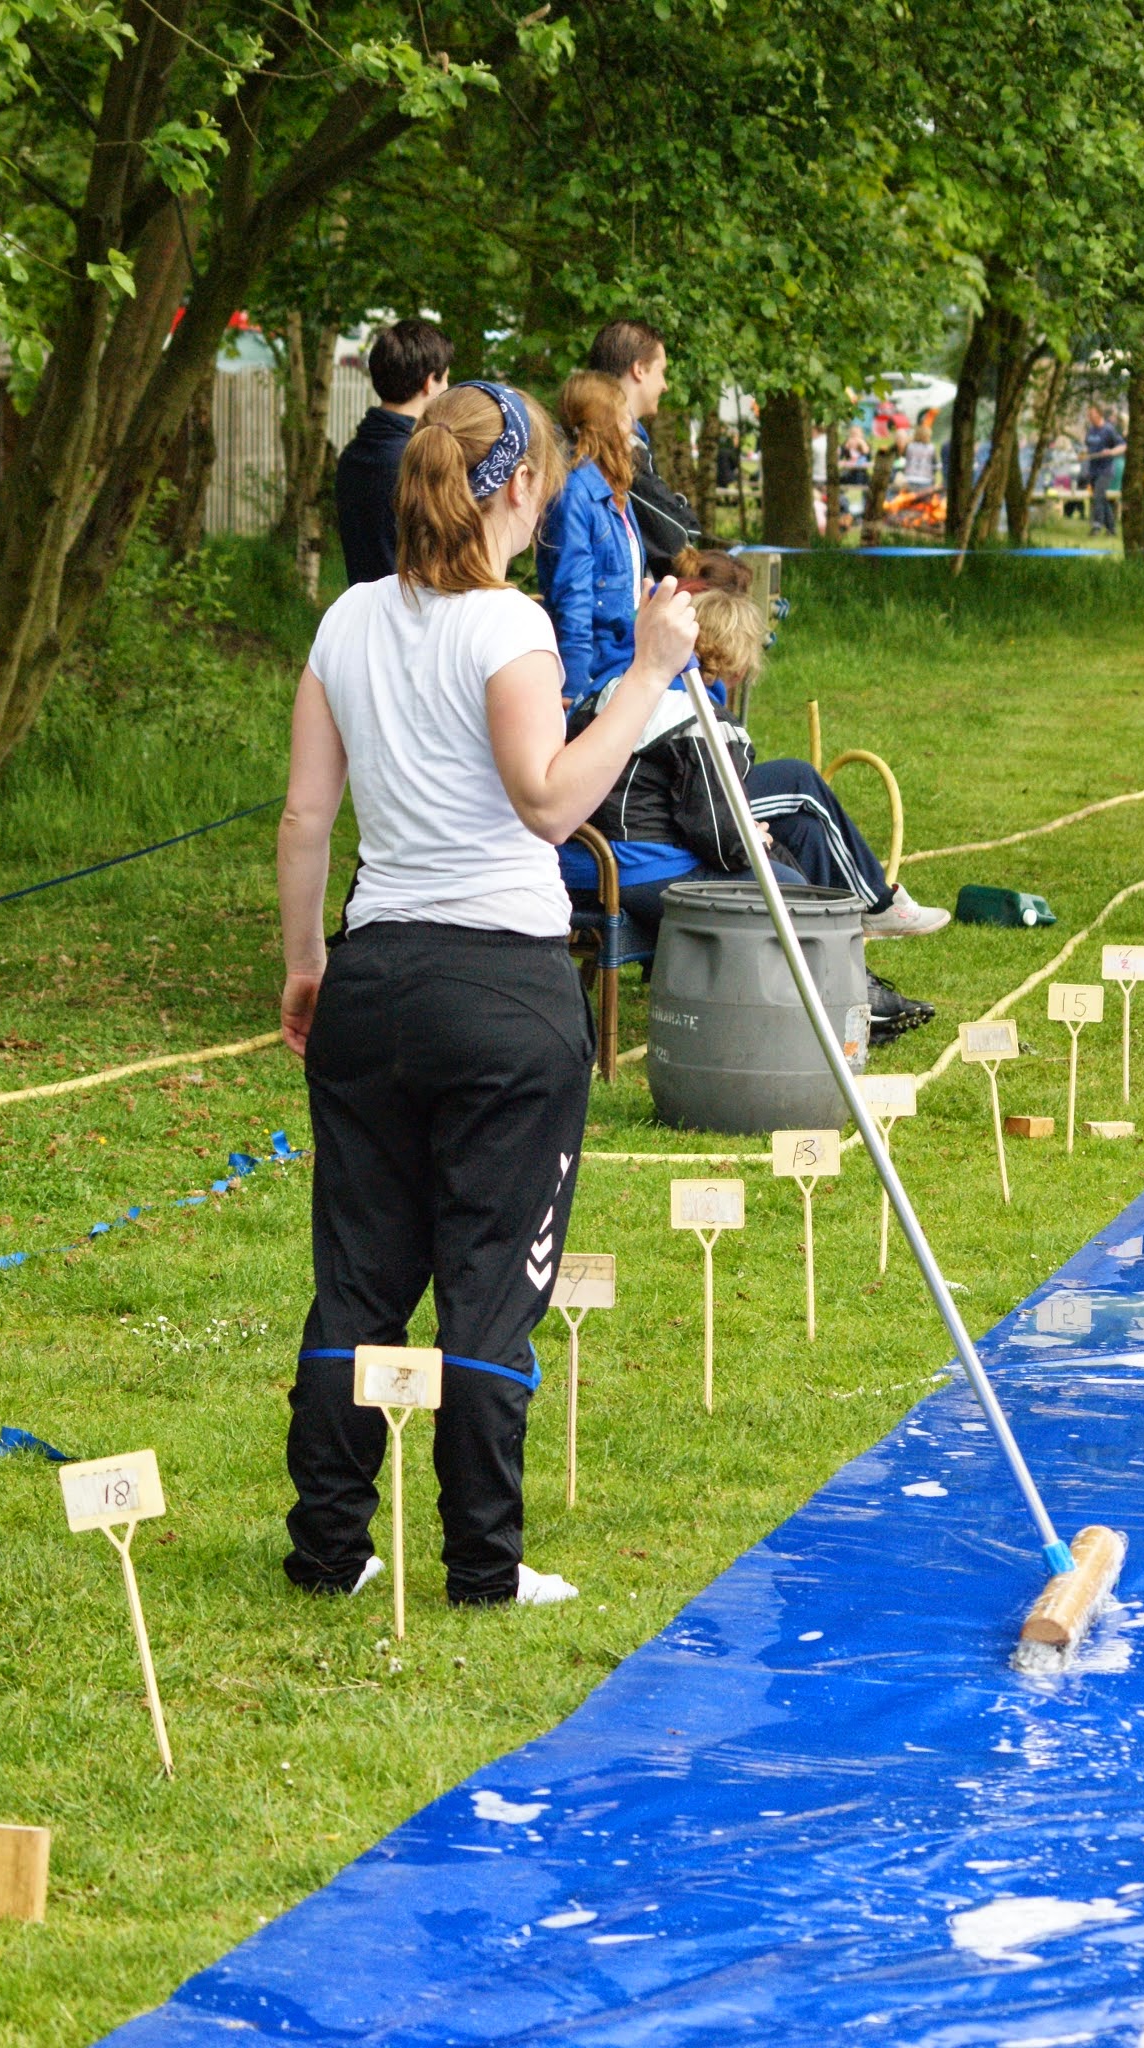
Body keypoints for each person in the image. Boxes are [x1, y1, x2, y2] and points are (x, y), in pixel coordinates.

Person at [279, 379, 699, 1606]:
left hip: (373, 975)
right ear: (518, 487)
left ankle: (329, 1548)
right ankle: (480, 1565)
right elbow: (551, 801)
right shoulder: (509, 630)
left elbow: (309, 814)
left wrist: (308, 959)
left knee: (360, 1274)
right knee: (487, 1280)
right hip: (500, 994)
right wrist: (650, 673)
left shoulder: (345, 620)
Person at [559, 586, 948, 1038]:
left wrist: (757, 839)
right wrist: (754, 840)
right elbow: (716, 836)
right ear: (739, 658)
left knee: (793, 839)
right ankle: (843, 1006)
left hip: (580, 860)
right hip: (632, 869)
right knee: (794, 891)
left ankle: (851, 990)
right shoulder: (701, 718)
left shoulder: (615, 688)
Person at [537, 370, 645, 712]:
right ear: (606, 424)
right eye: (624, 415)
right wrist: (575, 686)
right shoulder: (575, 494)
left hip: (626, 654)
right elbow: (574, 595)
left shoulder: (613, 491)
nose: (632, 425)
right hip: (598, 666)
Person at [333, 319, 453, 584]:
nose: (446, 388)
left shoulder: (352, 455)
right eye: (444, 378)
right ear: (428, 382)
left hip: (364, 616)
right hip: (413, 618)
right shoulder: (418, 461)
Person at [587, 318, 703, 576]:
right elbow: (680, 536)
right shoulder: (609, 447)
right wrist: (679, 508)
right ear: (639, 369)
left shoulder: (622, 442)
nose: (665, 385)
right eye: (661, 371)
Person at [1083, 403, 1124, 535]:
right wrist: (1083, 454)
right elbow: (1088, 448)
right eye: (1088, 415)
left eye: (1091, 414)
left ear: (1099, 414)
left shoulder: (1108, 430)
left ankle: (1097, 525)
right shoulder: (1091, 430)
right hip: (1093, 469)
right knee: (1102, 499)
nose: (1089, 417)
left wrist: (1111, 452)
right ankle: (1111, 528)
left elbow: (1122, 445)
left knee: (1098, 496)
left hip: (1105, 470)